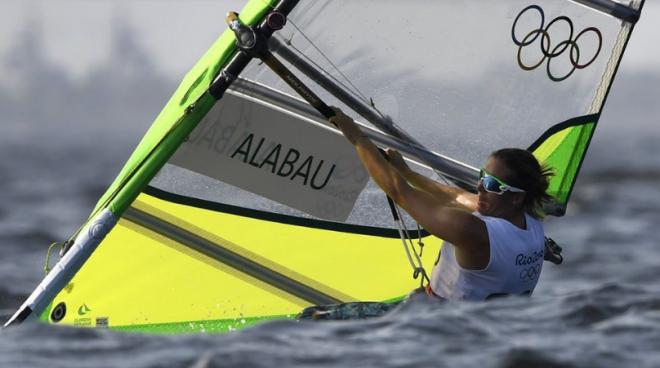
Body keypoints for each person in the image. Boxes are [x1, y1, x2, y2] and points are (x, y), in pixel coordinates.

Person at [329, 108, 554, 301]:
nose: (480, 188)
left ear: (517, 197)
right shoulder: (531, 220)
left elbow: (399, 192)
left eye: (493, 184)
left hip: (441, 329)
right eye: (482, 177)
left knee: (312, 318)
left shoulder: (472, 231)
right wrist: (408, 172)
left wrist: (357, 137)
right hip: (488, 332)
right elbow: (455, 197)